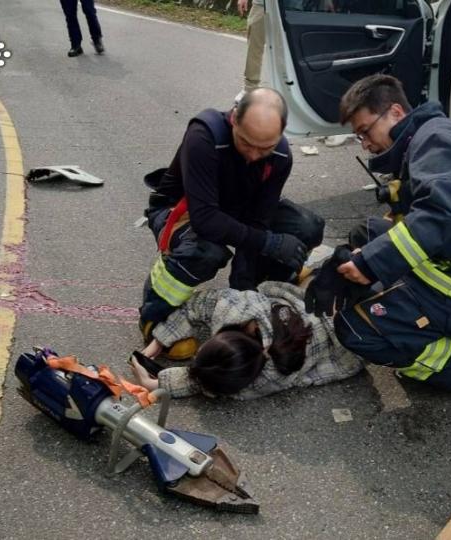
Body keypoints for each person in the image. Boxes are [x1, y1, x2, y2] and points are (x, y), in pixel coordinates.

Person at [325, 74, 451, 391]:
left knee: (353, 329)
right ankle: (404, 312)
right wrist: (369, 256)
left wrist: (370, 264)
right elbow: (415, 215)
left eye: (365, 132)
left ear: (396, 113)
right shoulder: (423, 138)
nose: (366, 144)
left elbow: (440, 216)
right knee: (366, 233)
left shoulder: (438, 139)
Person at [139, 88, 324, 358]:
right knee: (206, 250)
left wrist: (243, 297)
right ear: (234, 119)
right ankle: (154, 313)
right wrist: (268, 243)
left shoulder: (281, 156)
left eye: (265, 148)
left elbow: (258, 219)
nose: (253, 155)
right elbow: (205, 220)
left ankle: (262, 288)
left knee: (306, 227)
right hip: (184, 209)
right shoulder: (205, 136)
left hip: (239, 209)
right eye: (246, 143)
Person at [129, 281, 364, 399]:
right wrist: (157, 343)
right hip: (312, 304)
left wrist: (158, 385)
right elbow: (197, 305)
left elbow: (202, 384)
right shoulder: (236, 309)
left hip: (344, 334)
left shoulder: (272, 376)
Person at [238, 0, 265, 94]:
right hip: (262, 5)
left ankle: (288, 90)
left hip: (291, 6)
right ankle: (250, 89)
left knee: (288, 50)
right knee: (254, 48)